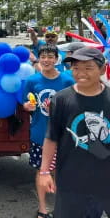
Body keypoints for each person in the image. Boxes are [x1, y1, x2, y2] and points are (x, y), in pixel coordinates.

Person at [39, 47, 110, 217]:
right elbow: (51, 137)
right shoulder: (61, 99)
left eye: (88, 68)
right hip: (71, 179)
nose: (80, 73)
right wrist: (44, 172)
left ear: (102, 69)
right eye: (76, 68)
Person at [22, 45, 74, 218]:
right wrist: (27, 106)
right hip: (40, 133)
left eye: (50, 57)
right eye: (43, 56)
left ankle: (60, 207)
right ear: (39, 58)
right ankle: (42, 208)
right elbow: (25, 103)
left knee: (62, 171)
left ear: (56, 59)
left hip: (64, 134)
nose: (46, 60)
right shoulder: (32, 81)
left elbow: (76, 105)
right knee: (42, 171)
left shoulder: (67, 80)